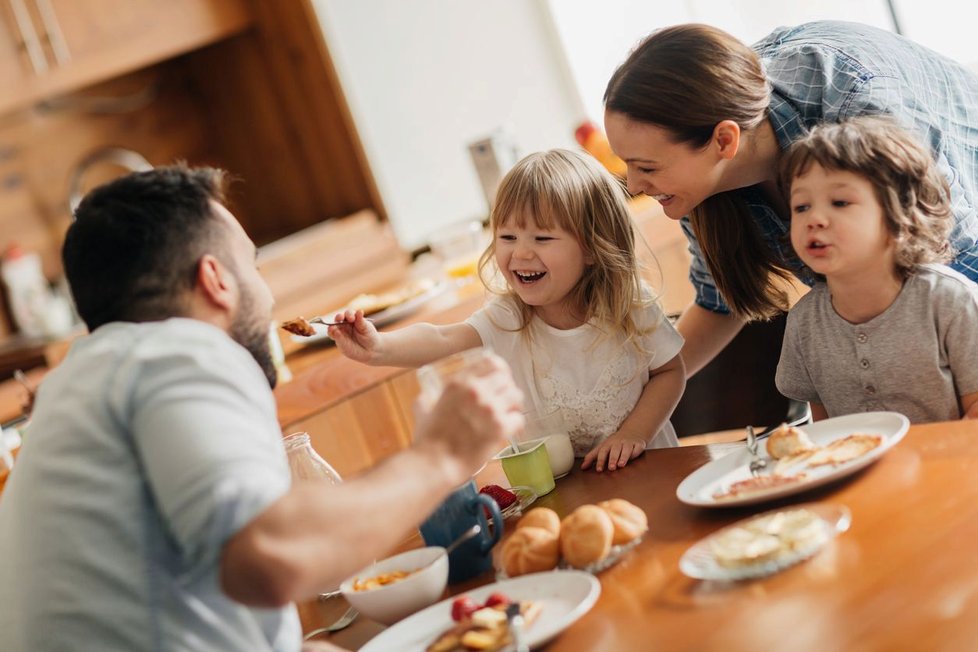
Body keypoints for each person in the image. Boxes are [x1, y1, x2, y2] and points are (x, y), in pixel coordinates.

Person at [0, 166, 525, 652]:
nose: (267, 294)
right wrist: (440, 455)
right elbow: (272, 558)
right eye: (252, 264)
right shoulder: (175, 352)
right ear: (216, 280)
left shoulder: (76, 392)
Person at [603, 21, 978, 378]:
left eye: (647, 167)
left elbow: (951, 268)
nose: (634, 184)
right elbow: (718, 303)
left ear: (723, 141)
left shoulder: (858, 111)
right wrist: (633, 394)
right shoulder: (699, 181)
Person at [330, 149, 686, 472]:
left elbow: (670, 373)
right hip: (561, 492)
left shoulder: (629, 304)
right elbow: (442, 337)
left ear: (592, 248)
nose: (522, 253)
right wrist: (379, 347)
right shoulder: (508, 319)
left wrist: (635, 434)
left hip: (649, 470)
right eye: (508, 237)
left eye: (542, 239)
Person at [775, 116, 978, 422]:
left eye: (840, 202)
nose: (814, 219)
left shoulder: (951, 301)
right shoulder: (804, 323)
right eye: (801, 206)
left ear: (901, 215)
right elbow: (823, 428)